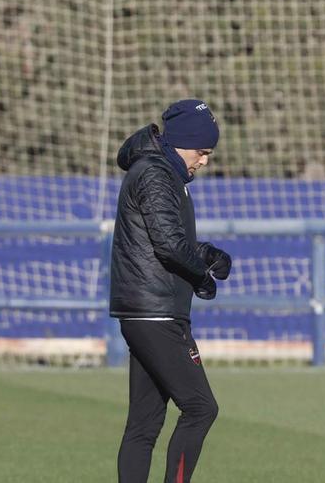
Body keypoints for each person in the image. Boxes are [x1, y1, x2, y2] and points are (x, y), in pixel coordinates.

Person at [109, 99, 232, 483]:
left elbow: (170, 239)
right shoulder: (156, 174)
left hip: (150, 311)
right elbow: (168, 244)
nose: (204, 161)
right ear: (183, 142)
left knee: (144, 425)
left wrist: (208, 255)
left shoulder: (163, 172)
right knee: (200, 408)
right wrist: (201, 277)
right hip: (156, 313)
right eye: (203, 152)